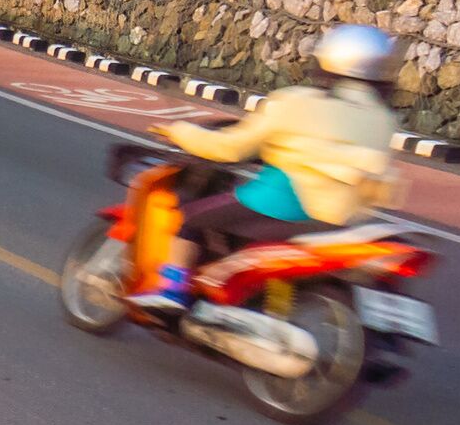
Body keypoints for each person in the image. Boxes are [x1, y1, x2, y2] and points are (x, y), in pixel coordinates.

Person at [128, 22, 402, 317]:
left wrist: (180, 132)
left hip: (287, 203)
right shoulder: (384, 119)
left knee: (190, 219)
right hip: (341, 219)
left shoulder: (296, 101)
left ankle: (173, 292)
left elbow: (230, 148)